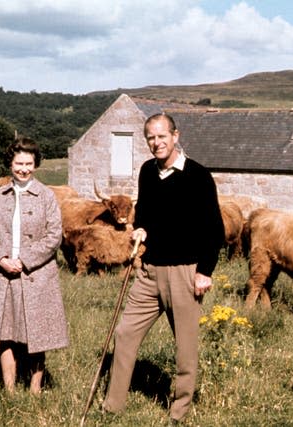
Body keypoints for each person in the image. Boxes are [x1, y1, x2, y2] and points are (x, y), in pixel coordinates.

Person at [102, 113, 224, 423]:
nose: (156, 143)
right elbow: (145, 211)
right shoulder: (147, 171)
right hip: (149, 271)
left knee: (184, 348)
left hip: (184, 272)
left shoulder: (197, 176)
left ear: (175, 136)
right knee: (125, 332)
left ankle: (178, 412)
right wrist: (141, 227)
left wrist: (204, 271)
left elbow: (214, 229)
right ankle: (113, 406)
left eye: (161, 136)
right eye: (150, 138)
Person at [0, 135, 69, 394]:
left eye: (29, 163)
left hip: (37, 275)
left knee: (36, 333)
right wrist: (1, 259)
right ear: (10, 164)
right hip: (2, 276)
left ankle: (35, 388)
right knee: (5, 333)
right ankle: (8, 390)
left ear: (36, 165)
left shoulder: (47, 196)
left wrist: (25, 261)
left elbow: (54, 236)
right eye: (19, 163)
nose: (24, 169)